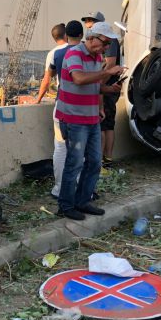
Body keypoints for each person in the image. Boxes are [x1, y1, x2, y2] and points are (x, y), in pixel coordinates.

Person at [56, 21, 124, 220]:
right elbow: (78, 78)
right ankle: (66, 206)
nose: (106, 48)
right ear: (92, 38)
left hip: (91, 117)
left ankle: (83, 201)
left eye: (108, 45)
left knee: (94, 162)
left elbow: (92, 84)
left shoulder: (97, 57)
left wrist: (109, 89)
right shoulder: (74, 54)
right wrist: (107, 72)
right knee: (74, 163)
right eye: (105, 43)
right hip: (74, 118)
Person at [46, 21, 84, 197]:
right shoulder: (88, 53)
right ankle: (80, 188)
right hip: (83, 107)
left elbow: (49, 77)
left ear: (66, 35)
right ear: (82, 35)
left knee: (61, 148)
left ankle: (59, 188)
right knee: (80, 149)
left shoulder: (57, 53)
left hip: (61, 106)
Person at [82, 11, 121, 166]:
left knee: (105, 125)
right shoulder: (88, 51)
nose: (88, 24)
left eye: (92, 21)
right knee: (105, 125)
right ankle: (104, 161)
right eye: (87, 21)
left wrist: (101, 86)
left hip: (106, 88)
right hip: (105, 87)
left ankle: (104, 162)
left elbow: (110, 64)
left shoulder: (107, 41)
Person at [34, 23, 67, 104]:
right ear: (66, 35)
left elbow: (47, 79)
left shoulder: (53, 53)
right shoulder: (77, 48)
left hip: (63, 96)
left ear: (54, 38)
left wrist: (38, 99)